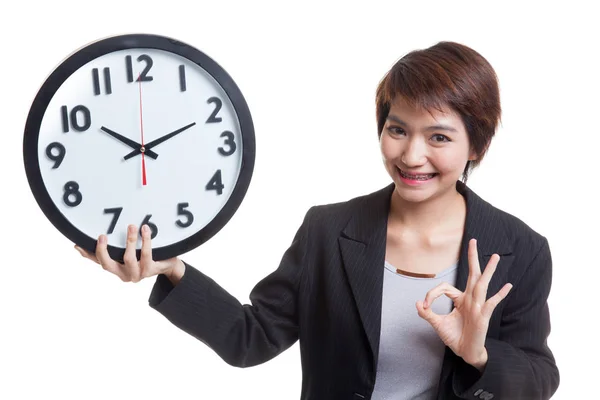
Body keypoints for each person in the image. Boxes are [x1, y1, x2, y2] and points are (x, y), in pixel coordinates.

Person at [75, 41, 559, 399]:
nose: (412, 155)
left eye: (438, 137)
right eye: (397, 130)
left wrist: (478, 352)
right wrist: (172, 272)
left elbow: (540, 378)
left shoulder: (521, 247)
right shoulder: (329, 231)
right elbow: (252, 338)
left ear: (477, 145)